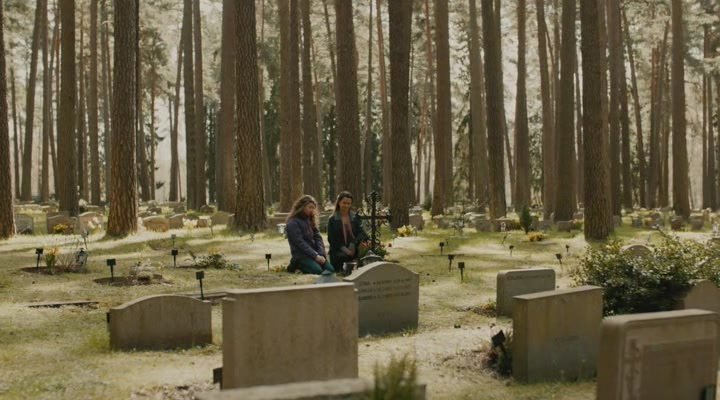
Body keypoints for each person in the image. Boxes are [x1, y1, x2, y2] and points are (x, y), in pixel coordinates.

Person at [286, 195, 335, 274]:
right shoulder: (292, 223)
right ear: (302, 207)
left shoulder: (311, 220)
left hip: (316, 254)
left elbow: (318, 238)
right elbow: (300, 243)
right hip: (301, 256)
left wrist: (321, 254)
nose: (312, 210)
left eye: (313, 208)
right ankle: (296, 266)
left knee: (330, 270)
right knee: (317, 271)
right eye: (310, 207)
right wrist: (315, 256)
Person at [327, 191, 367, 272]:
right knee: (343, 257)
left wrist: (354, 243)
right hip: (339, 249)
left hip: (354, 247)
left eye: (348, 203)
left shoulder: (355, 217)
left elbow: (361, 233)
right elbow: (332, 239)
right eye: (344, 203)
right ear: (339, 203)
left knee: (366, 256)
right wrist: (345, 250)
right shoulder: (332, 219)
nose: (346, 205)